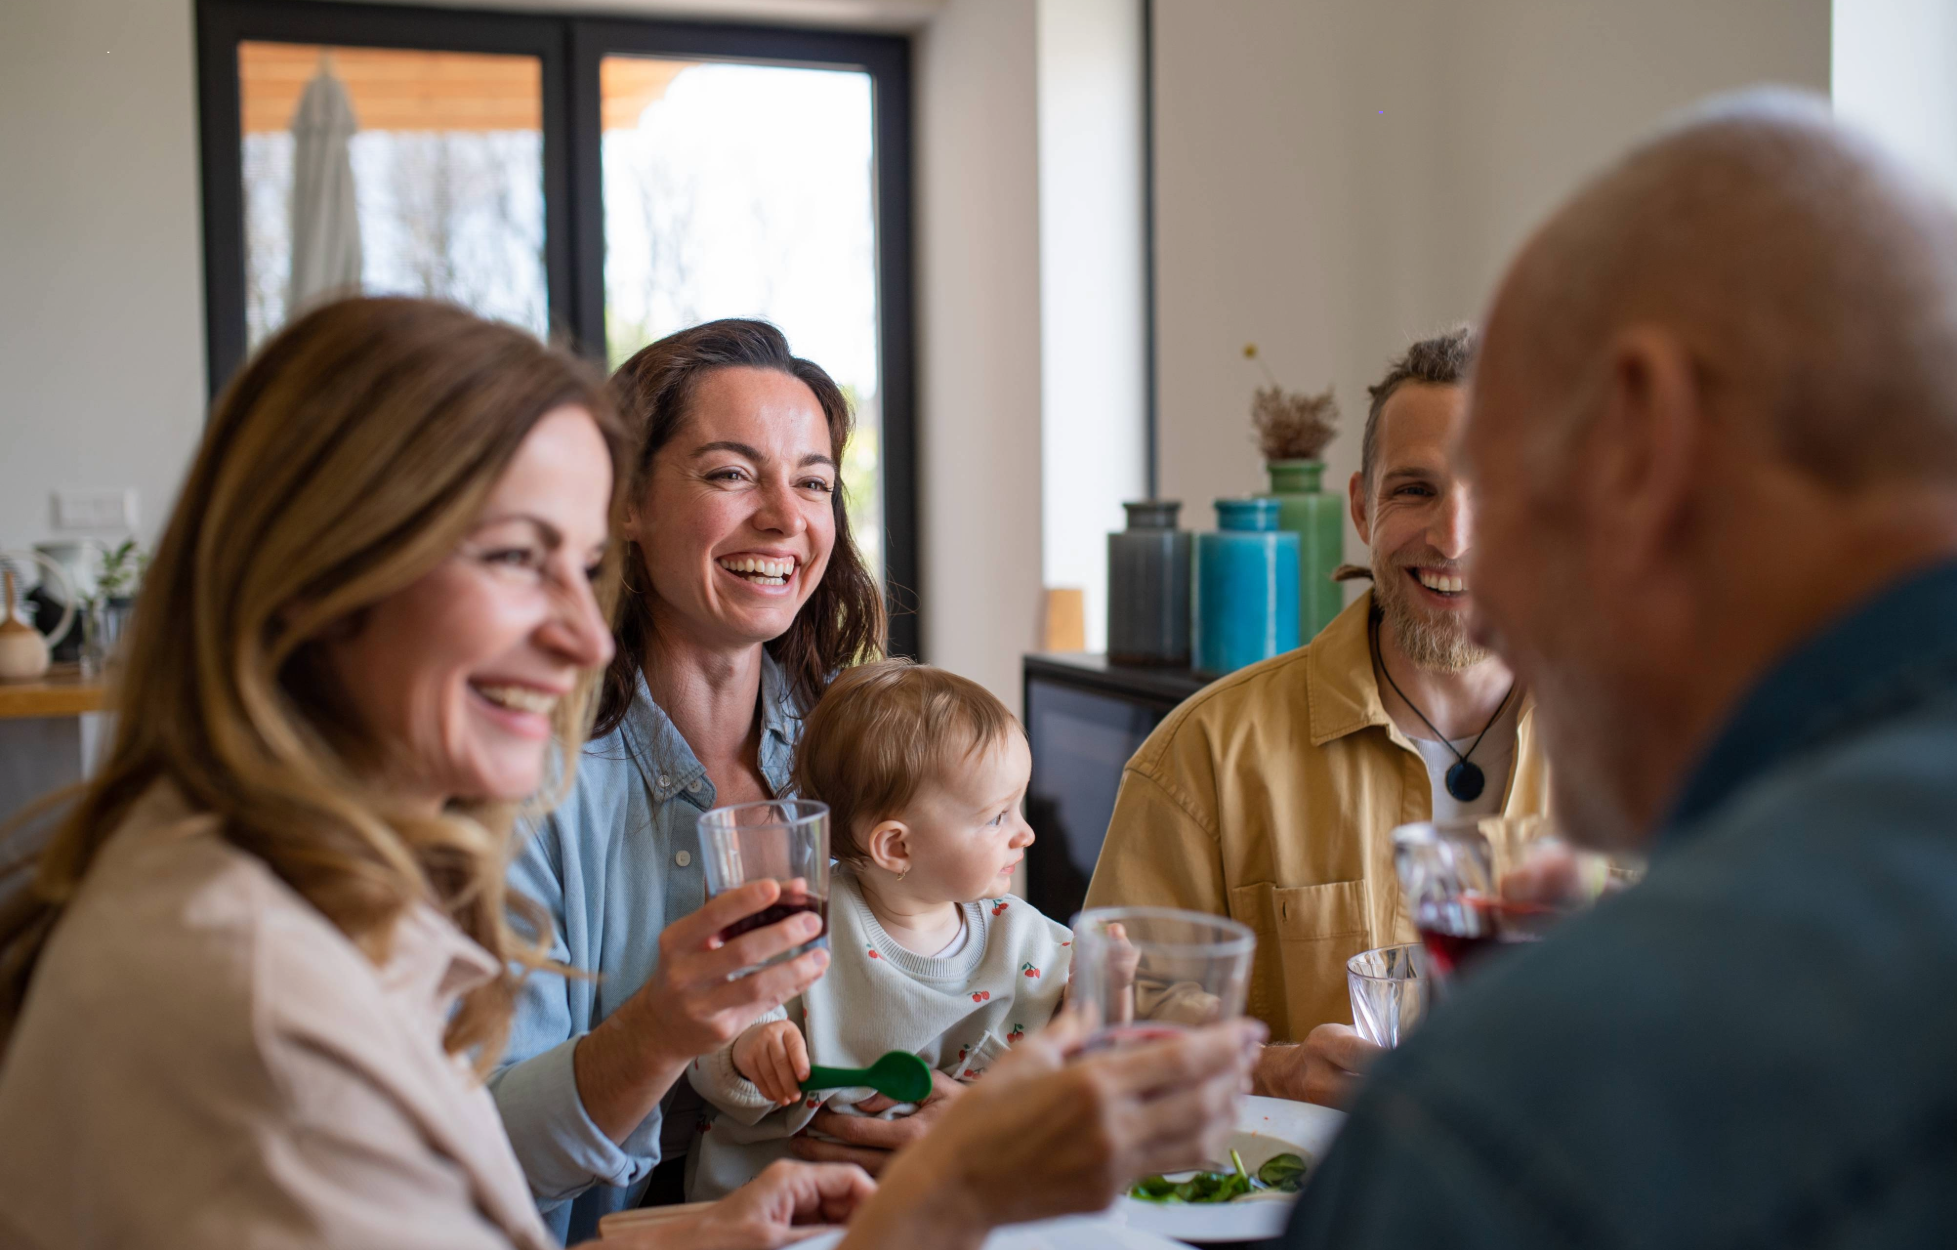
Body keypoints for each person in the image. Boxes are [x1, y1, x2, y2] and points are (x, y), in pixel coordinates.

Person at [0, 296, 1265, 1250]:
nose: (574, 626)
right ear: (323, 573)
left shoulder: (857, 733)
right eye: (512, 555)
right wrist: (931, 1195)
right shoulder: (259, 975)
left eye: (813, 481)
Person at [1284, 91, 1957, 1247]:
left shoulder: (1515, 1123)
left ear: (1637, 445)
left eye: (1500, 489)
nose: (1475, 577)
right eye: (1419, 495)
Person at [488, 320, 949, 1242]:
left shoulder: (864, 746)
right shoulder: (521, 782)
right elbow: (485, 1159)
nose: (785, 517)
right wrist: (658, 1031)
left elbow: (959, 970)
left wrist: (933, 1103)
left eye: (813, 482)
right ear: (626, 501)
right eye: (732, 473)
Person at [1083, 328, 1551, 1106]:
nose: (1453, 537)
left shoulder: (1654, 755)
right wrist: (1274, 1070)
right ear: (1363, 509)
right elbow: (1102, 1019)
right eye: (1415, 490)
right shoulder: (1202, 757)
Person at [686, 660, 1073, 1200]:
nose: (1025, 833)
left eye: (1018, 808)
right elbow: (706, 1036)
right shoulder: (800, 921)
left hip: (936, 1209)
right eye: (996, 817)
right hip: (777, 1213)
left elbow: (1084, 1027)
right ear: (897, 847)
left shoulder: (1018, 935)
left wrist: (1110, 983)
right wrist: (750, 1047)